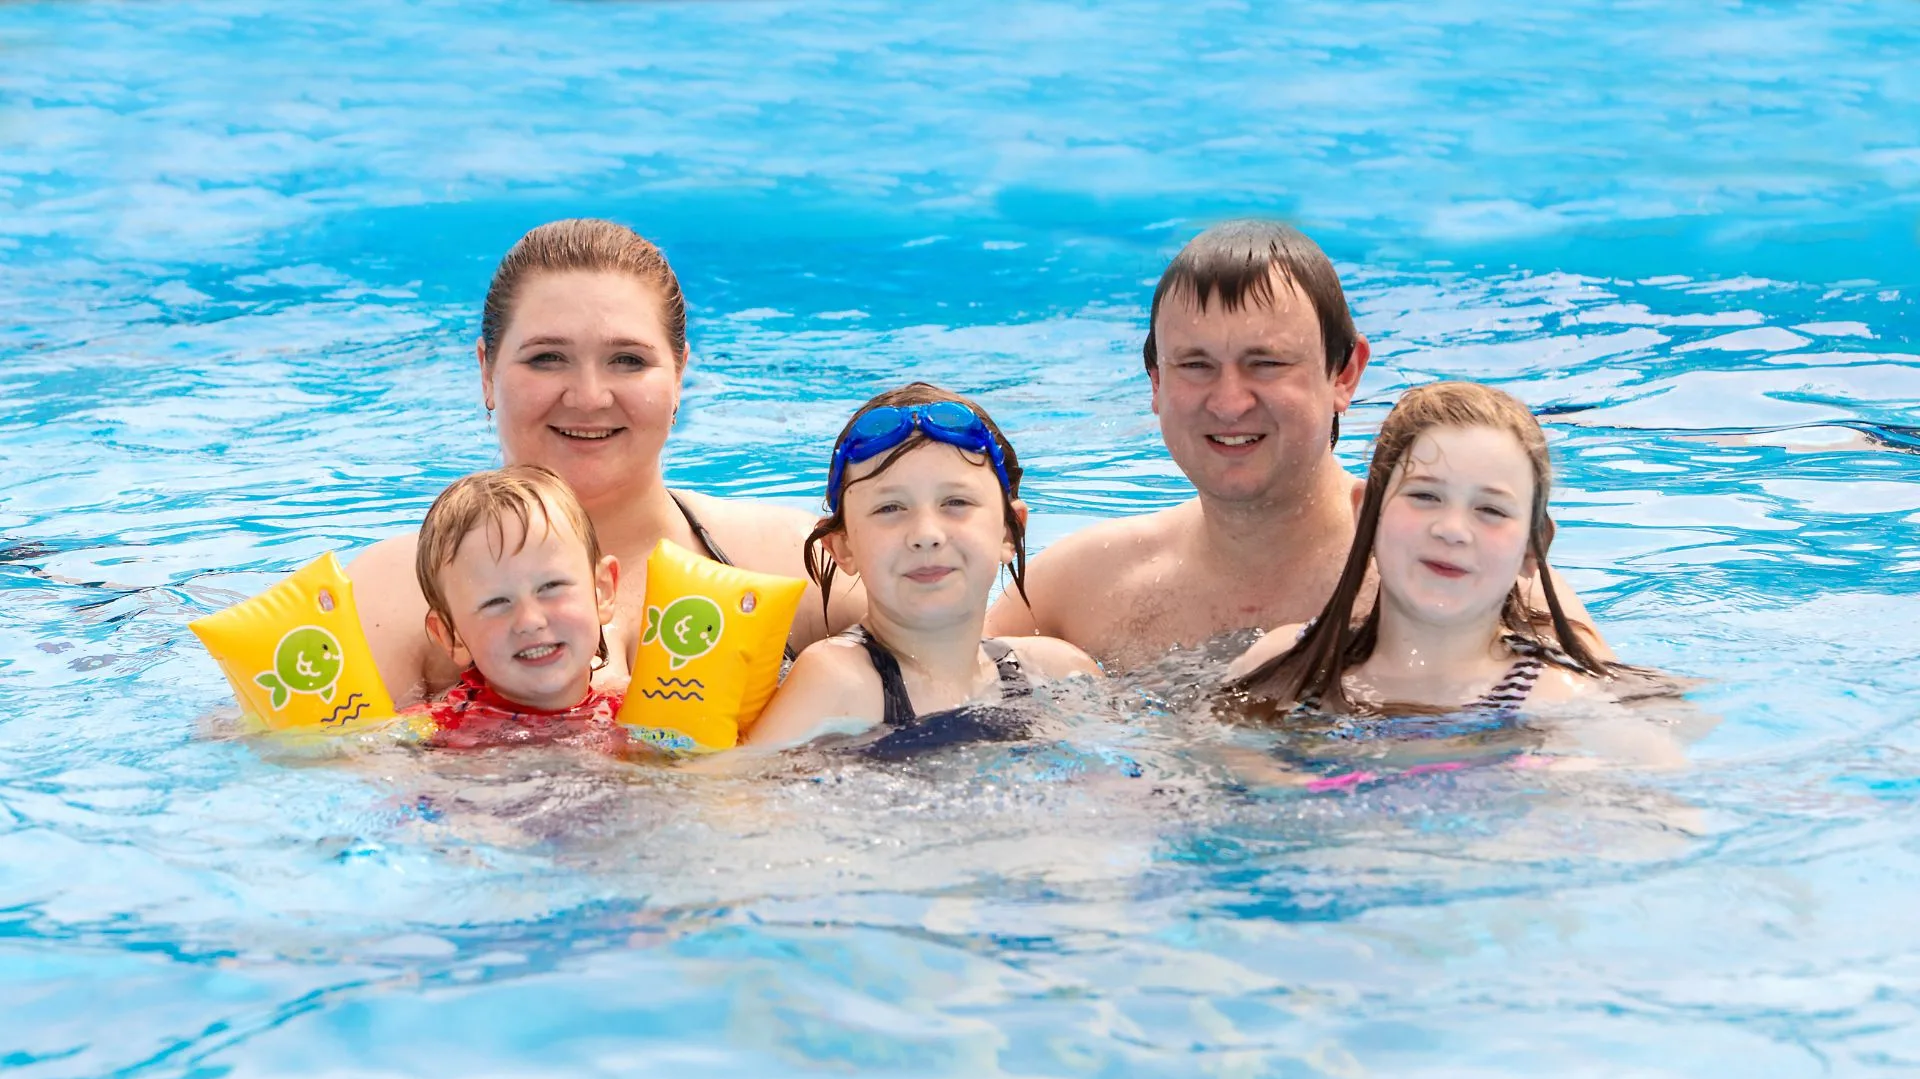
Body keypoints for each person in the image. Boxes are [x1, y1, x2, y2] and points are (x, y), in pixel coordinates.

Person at [986, 219, 1605, 672]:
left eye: (1267, 363)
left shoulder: (1467, 584)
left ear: (1345, 374)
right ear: (1155, 382)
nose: (1228, 402)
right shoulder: (1075, 589)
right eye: (1196, 365)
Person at [350, 218, 864, 705]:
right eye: (547, 358)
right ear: (487, 372)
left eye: (628, 360)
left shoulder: (798, 562)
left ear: (679, 375)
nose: (590, 397)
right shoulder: (389, 598)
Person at [1219, 381, 1617, 717]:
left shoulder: (1560, 703)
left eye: (1491, 509)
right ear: (1365, 515)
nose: (1451, 530)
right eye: (1425, 495)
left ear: (1534, 546)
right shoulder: (1282, 667)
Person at [744, 383, 1100, 748]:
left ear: (1011, 531)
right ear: (842, 547)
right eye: (890, 508)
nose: (926, 534)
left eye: (956, 502)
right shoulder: (838, 682)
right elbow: (731, 796)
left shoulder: (1056, 673)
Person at [405, 465, 624, 749]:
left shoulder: (642, 715)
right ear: (451, 635)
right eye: (496, 602)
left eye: (551, 587)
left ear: (602, 591)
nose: (530, 620)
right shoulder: (430, 735)